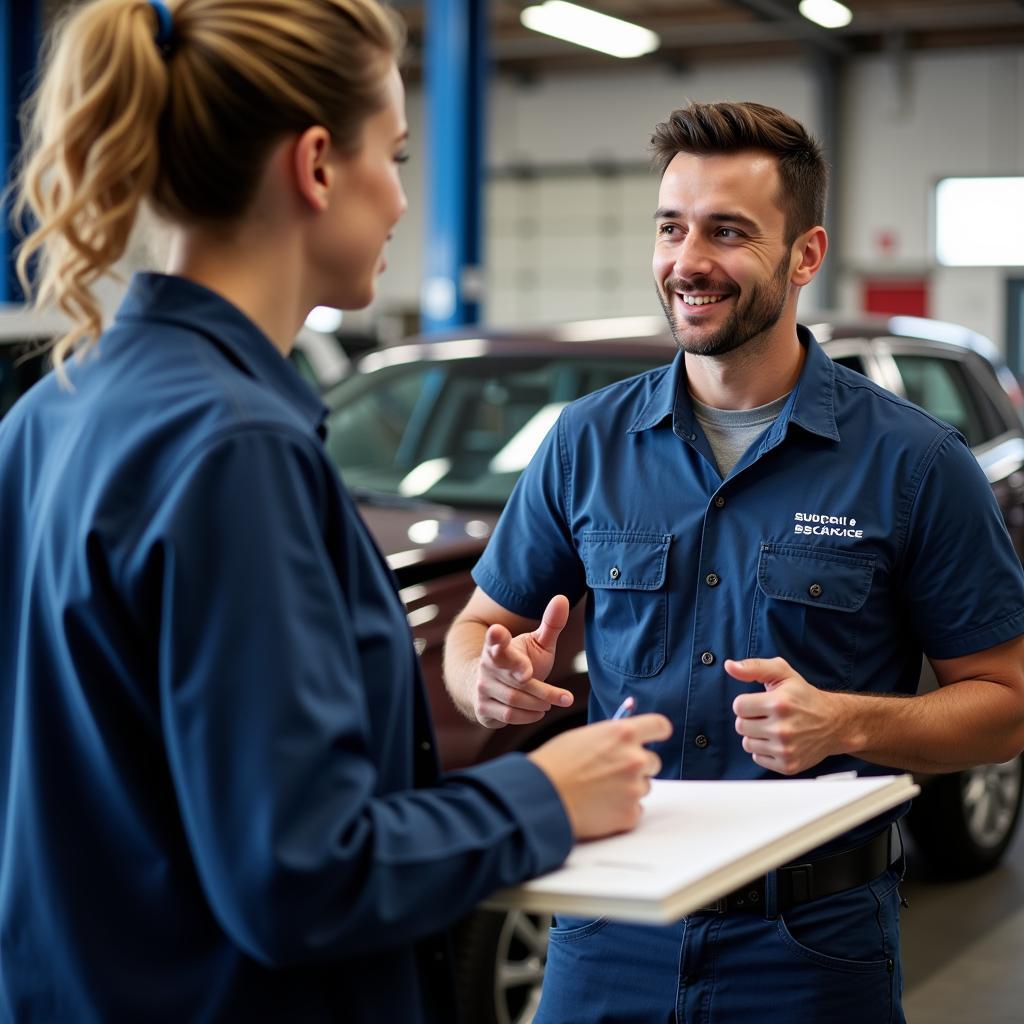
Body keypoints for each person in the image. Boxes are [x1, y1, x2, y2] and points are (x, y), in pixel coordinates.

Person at [0, 1, 674, 1021]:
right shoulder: (236, 450)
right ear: (316, 165)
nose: (404, 199)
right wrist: (546, 793)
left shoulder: (51, 411)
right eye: (395, 154)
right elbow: (297, 873)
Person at [443, 100, 1024, 1023]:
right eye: (671, 228)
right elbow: (480, 629)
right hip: (606, 934)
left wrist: (845, 724)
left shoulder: (915, 463)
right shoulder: (585, 442)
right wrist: (487, 678)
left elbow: (1006, 706)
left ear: (805, 254)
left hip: (809, 950)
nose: (687, 262)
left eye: (727, 232)